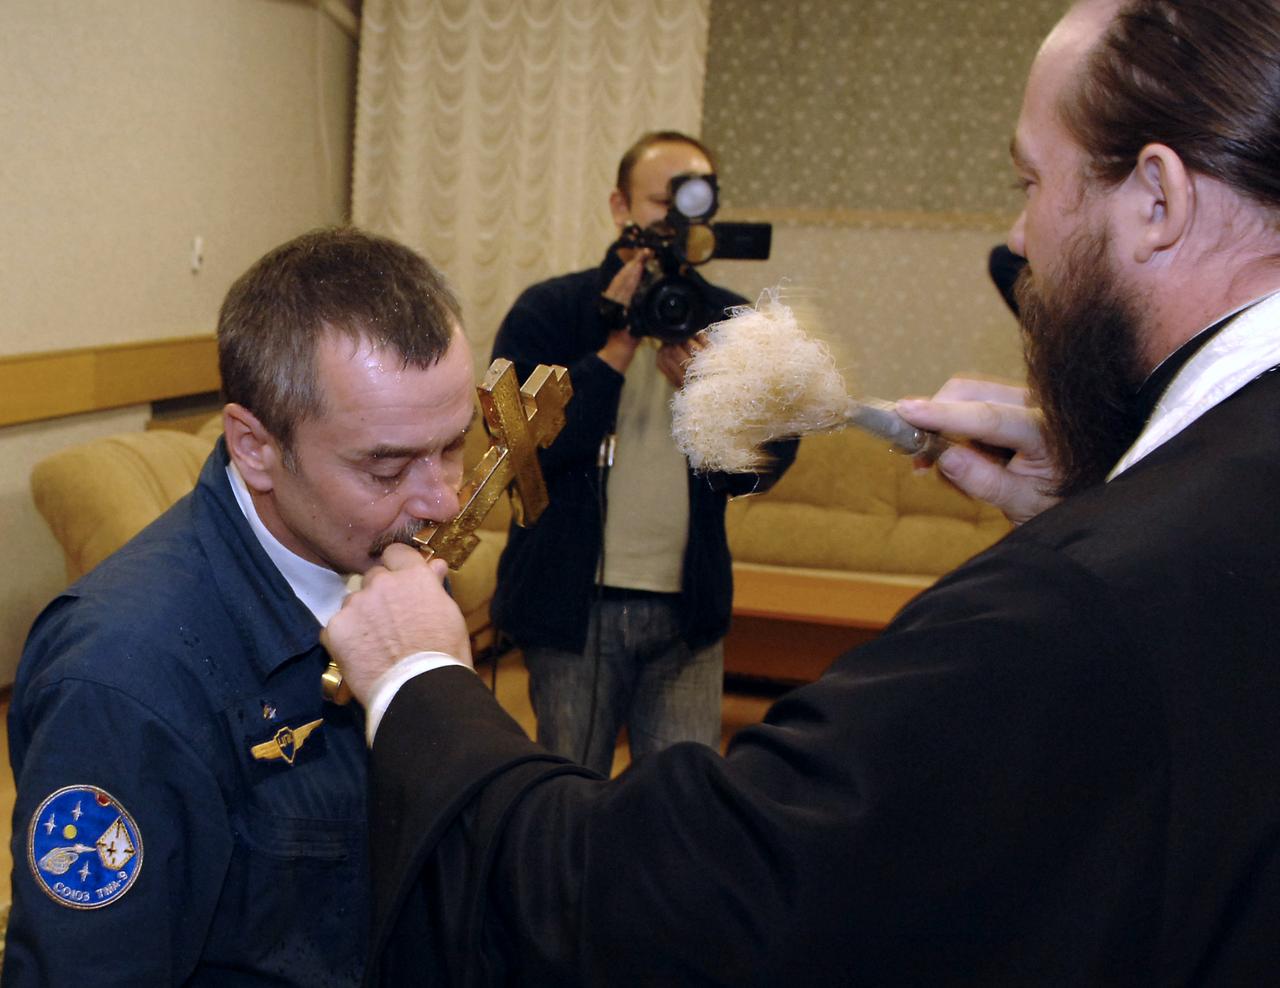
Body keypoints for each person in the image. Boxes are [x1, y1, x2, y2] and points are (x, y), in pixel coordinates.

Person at [328, 0, 1280, 982]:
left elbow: (658, 904)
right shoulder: (1193, 509)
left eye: (1028, 181)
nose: (1016, 236)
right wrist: (1100, 490)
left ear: (1157, 197)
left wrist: (414, 680)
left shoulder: (1072, 599)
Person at [4, 228, 475, 985]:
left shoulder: (391, 560)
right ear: (255, 447)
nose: (442, 499)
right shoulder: (120, 680)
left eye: (453, 445)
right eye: (386, 465)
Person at [487, 130, 797, 776]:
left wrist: (708, 399)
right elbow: (515, 449)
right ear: (620, 207)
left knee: (682, 804)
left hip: (687, 617)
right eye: (663, 202)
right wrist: (613, 354)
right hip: (572, 612)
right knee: (567, 799)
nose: (681, 222)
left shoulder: (733, 324)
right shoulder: (551, 311)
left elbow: (768, 462)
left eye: (697, 205)